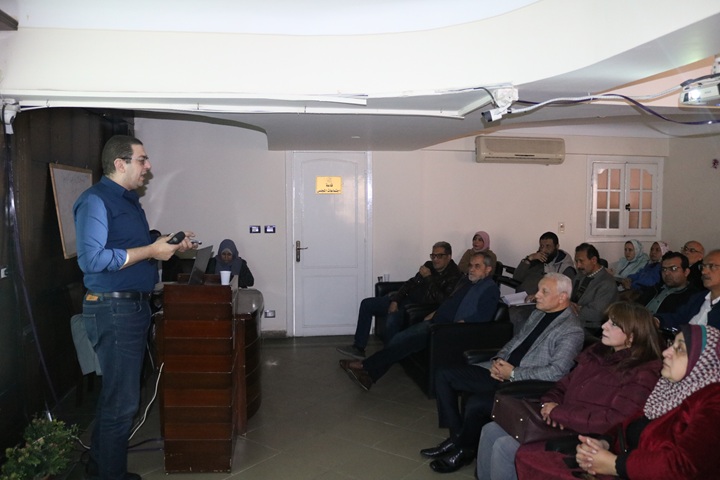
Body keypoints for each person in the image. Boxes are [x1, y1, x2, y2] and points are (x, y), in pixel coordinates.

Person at [73, 135, 196, 480]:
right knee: (123, 403)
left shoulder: (128, 201)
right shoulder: (95, 200)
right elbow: (92, 260)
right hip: (115, 310)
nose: (149, 166)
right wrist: (152, 251)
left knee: (116, 398)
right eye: (142, 160)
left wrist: (165, 245)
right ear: (120, 163)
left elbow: (131, 249)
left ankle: (100, 469)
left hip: (130, 309)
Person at [419, 273, 584, 474]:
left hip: (523, 386)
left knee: (476, 403)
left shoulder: (571, 330)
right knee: (443, 375)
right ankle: (456, 438)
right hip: (502, 372)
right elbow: (515, 341)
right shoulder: (539, 313)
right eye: (538, 290)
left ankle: (464, 450)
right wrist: (499, 360)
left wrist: (513, 373)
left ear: (562, 297)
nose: (536, 295)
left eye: (544, 291)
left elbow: (557, 373)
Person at [477, 302, 662, 480]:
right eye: (607, 320)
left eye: (613, 324)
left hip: (587, 435)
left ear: (632, 336)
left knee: (505, 446)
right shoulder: (598, 353)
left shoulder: (642, 373)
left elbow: (614, 421)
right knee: (490, 430)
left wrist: (559, 413)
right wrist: (550, 403)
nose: (604, 326)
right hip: (561, 420)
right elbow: (562, 385)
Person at [518, 325, 720, 480]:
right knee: (528, 457)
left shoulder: (713, 401)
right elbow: (627, 425)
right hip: (619, 462)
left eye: (680, 349)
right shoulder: (669, 388)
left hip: (629, 469)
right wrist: (603, 443)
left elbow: (684, 467)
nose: (667, 352)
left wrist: (615, 464)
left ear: (704, 362)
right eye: (671, 345)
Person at [338, 251, 499, 391]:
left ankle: (364, 366)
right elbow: (450, 301)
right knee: (401, 341)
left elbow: (481, 317)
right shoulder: (468, 282)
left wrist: (454, 327)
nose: (471, 269)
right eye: (470, 265)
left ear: (488, 269)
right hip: (437, 321)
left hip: (446, 330)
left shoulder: (489, 288)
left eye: (477, 266)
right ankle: (369, 376)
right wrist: (434, 313)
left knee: (402, 340)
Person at [336, 241, 462, 359]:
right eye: (433, 255)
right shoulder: (429, 266)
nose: (435, 259)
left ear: (449, 257)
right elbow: (410, 283)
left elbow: (442, 300)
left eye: (439, 256)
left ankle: (386, 357)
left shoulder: (454, 276)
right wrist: (396, 300)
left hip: (416, 306)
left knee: (392, 318)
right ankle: (358, 347)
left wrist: (428, 277)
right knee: (367, 304)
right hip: (404, 299)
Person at [656, 249, 720, 330]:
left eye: (711, 266)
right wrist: (656, 320)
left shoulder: (692, 293)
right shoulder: (698, 298)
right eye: (702, 267)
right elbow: (677, 317)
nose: (704, 271)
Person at [571, 243, 618, 336]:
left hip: (592, 328)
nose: (578, 265)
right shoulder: (580, 275)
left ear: (594, 260)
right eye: (576, 261)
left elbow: (597, 313)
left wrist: (569, 309)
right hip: (574, 321)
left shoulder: (607, 282)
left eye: (581, 261)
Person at [512, 231, 576, 295]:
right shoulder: (536, 259)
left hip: (539, 299)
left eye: (548, 246)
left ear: (557, 246)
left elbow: (563, 292)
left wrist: (538, 297)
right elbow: (516, 278)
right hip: (520, 297)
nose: (543, 250)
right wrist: (529, 259)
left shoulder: (566, 267)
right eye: (541, 246)